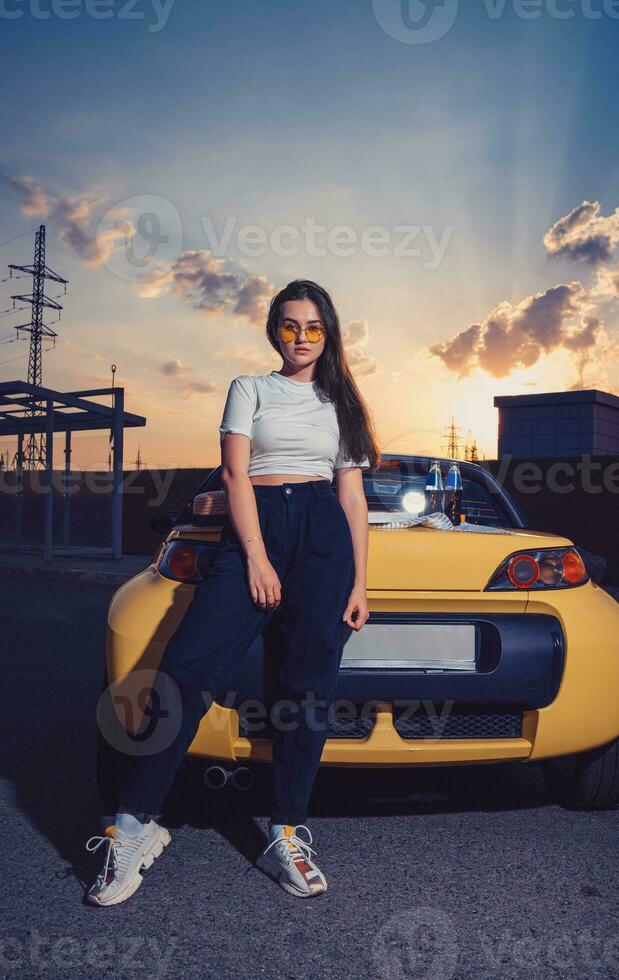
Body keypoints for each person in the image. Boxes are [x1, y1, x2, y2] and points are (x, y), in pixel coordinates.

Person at [85, 278, 380, 904]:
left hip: (324, 535)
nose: (300, 337)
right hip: (258, 524)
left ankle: (286, 833)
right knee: (185, 672)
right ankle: (135, 827)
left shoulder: (344, 404)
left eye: (313, 327)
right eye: (288, 325)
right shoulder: (250, 389)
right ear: (273, 330)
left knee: (306, 689)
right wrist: (255, 559)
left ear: (328, 333)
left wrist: (358, 580)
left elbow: (351, 497)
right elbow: (236, 475)